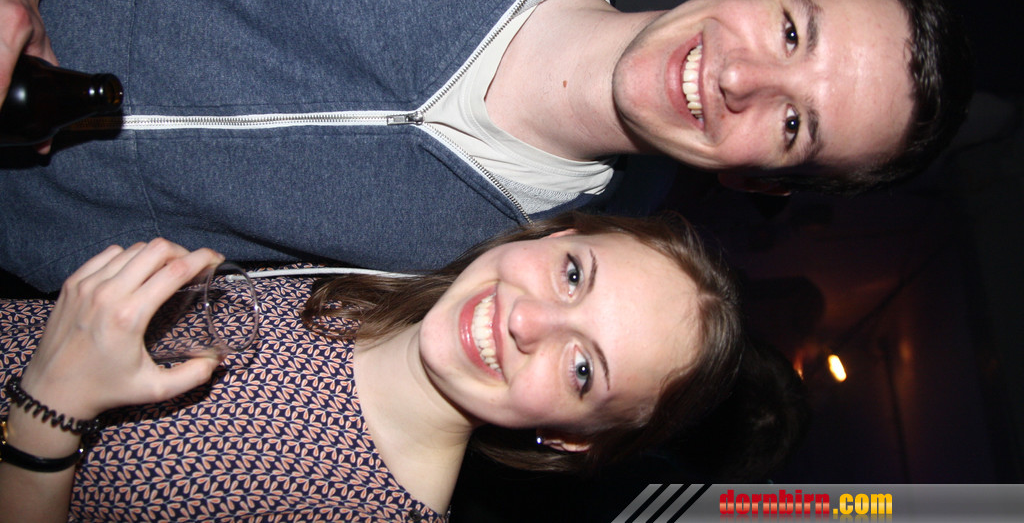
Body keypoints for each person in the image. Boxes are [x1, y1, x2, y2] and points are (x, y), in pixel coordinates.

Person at [0, 0, 973, 293]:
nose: (744, 82)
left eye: (794, 125)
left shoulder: (513, 289)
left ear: (760, 178)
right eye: (793, 34)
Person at [0, 211, 743, 521]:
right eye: (573, 275)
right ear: (555, 236)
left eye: (583, 369)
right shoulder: (368, 280)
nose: (527, 321)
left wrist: (49, 412)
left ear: (575, 437)